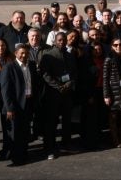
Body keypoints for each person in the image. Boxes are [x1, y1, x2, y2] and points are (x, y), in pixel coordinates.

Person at [38, 28, 76, 160]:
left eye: (64, 40)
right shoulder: (48, 55)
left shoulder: (70, 55)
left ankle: (66, 143)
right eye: (59, 40)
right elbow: (45, 75)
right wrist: (58, 86)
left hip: (67, 94)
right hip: (52, 94)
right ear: (54, 41)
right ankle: (49, 147)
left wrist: (70, 83)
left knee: (67, 121)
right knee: (51, 123)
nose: (62, 42)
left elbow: (74, 72)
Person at [103, 38, 121, 148]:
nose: (118, 46)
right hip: (113, 91)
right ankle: (115, 139)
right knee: (113, 117)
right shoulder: (109, 59)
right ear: (112, 46)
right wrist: (106, 95)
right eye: (116, 45)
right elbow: (105, 78)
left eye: (120, 44)